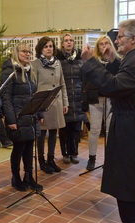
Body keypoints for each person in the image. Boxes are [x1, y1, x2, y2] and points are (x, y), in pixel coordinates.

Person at [81, 19, 135, 223]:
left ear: (133, 38)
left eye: (121, 36)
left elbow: (113, 86)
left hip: (131, 133)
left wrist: (90, 62)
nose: (117, 40)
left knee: (129, 188)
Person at [1, 42, 43, 192]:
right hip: (18, 118)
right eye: (24, 51)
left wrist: (39, 113)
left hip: (30, 117)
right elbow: (6, 98)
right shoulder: (10, 71)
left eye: (29, 52)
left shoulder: (29, 70)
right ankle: (16, 177)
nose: (27, 54)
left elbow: (34, 96)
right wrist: (11, 120)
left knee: (29, 148)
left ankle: (28, 176)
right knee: (18, 149)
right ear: (16, 52)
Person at [82, 35, 121, 171]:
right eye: (101, 44)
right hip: (96, 99)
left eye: (106, 43)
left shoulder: (116, 61)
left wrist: (110, 57)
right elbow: (87, 81)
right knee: (94, 130)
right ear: (97, 47)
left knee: (110, 130)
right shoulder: (94, 62)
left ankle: (110, 159)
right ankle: (92, 158)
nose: (104, 46)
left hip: (111, 100)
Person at [31, 36, 69, 174]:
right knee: (41, 133)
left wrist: (65, 102)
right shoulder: (35, 64)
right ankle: (41, 160)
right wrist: (36, 108)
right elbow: (33, 87)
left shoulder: (58, 63)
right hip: (43, 104)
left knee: (54, 131)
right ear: (41, 49)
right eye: (46, 46)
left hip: (56, 102)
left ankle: (51, 159)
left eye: (51, 46)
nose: (49, 49)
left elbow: (62, 84)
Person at [56, 33, 89, 165]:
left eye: (71, 40)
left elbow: (84, 78)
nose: (69, 43)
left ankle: (74, 153)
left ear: (74, 43)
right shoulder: (58, 59)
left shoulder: (80, 59)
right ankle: (65, 153)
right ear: (62, 44)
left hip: (77, 96)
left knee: (76, 129)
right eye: (66, 41)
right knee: (64, 128)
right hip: (65, 97)